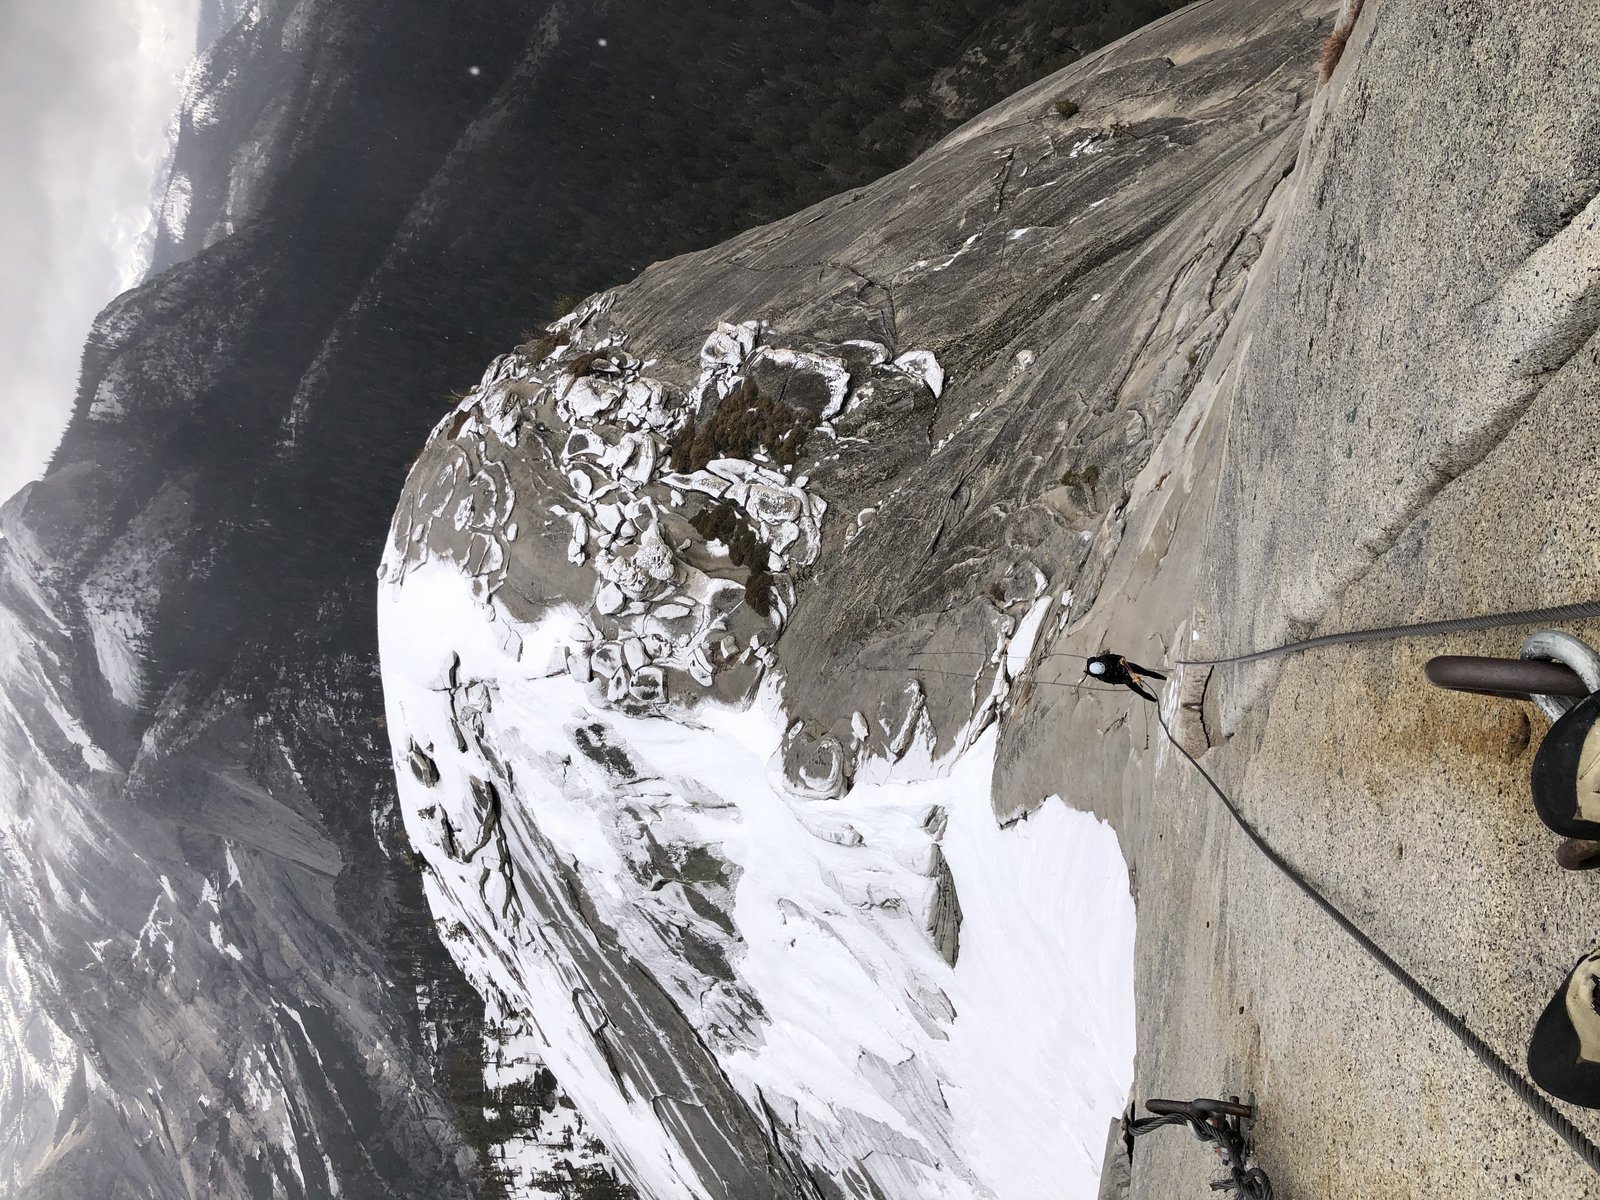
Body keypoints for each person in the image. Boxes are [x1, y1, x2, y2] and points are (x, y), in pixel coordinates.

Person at [1085, 651, 1166, 702]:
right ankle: (1156, 701)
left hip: (1122, 666)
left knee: (1145, 672)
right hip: (1121, 676)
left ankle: (1164, 678)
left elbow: (1116, 657)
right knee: (1141, 693)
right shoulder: (1104, 677)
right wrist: (1131, 681)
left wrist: (1121, 658)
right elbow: (1118, 681)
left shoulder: (1104, 658)